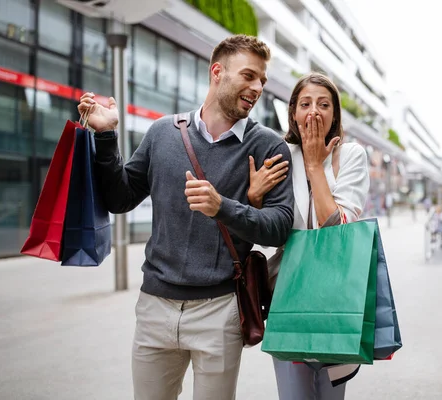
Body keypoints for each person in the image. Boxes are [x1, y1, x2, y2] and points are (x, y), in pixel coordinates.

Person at [77, 35, 294, 400]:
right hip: (154, 307)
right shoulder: (163, 132)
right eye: (248, 76)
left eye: (262, 80)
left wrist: (222, 206)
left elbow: (279, 227)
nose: (257, 87)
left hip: (221, 310)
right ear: (217, 72)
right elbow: (121, 198)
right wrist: (106, 135)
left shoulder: (267, 145)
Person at [246, 72, 370, 399]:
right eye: (305, 103)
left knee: (331, 394)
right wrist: (254, 199)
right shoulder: (279, 154)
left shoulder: (352, 155)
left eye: (324, 104)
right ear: (293, 113)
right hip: (289, 294)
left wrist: (316, 165)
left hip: (337, 298)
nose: (314, 111)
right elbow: (268, 227)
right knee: (293, 394)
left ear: (334, 114)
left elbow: (338, 227)